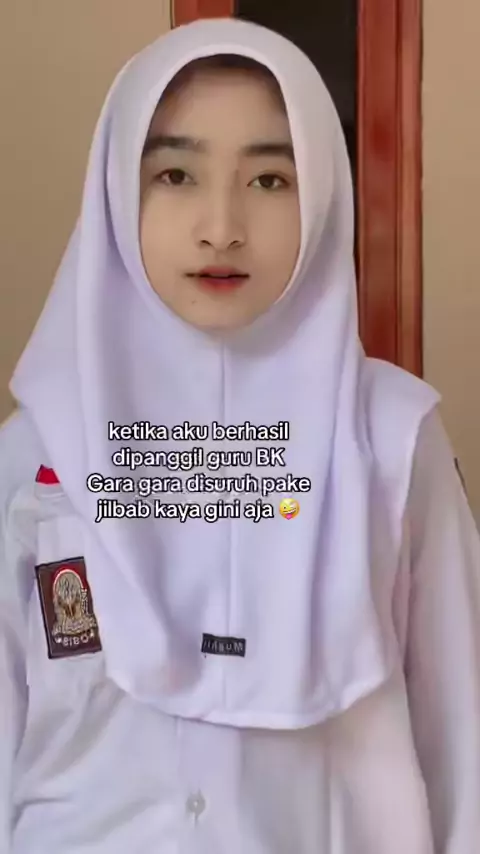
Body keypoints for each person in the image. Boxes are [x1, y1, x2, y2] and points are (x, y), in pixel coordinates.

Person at [0, 17, 479, 854]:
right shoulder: (37, 450)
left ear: (322, 194)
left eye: (268, 180)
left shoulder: (393, 441)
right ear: (116, 192)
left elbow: (462, 745)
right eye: (176, 174)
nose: (221, 226)